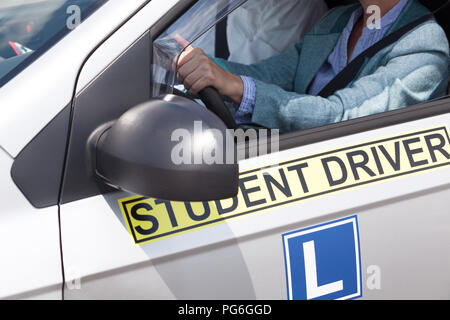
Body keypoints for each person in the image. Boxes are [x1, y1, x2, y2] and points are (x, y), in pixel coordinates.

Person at [177, 0, 450, 133]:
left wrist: (238, 87)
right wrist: (200, 64)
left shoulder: (424, 45)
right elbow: (272, 73)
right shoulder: (338, 20)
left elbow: (343, 117)